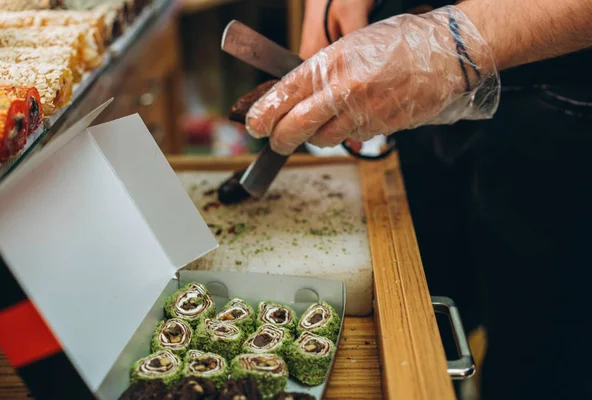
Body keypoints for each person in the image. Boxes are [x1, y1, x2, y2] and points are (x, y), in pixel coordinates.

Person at [246, 1, 592, 399]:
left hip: (562, 107)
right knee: (421, 328)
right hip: (416, 77)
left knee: (539, 360)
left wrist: (455, 42)